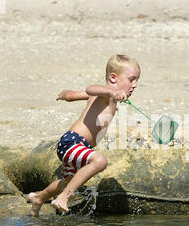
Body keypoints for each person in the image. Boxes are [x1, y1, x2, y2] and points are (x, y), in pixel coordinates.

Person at [28, 54, 140, 216]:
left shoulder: (106, 98)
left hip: (81, 147)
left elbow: (73, 95)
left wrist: (65, 95)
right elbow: (91, 88)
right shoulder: (103, 94)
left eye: (137, 80)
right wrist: (111, 92)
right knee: (100, 161)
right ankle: (63, 198)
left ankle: (39, 198)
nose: (135, 85)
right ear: (113, 78)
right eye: (131, 79)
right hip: (72, 143)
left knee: (67, 182)